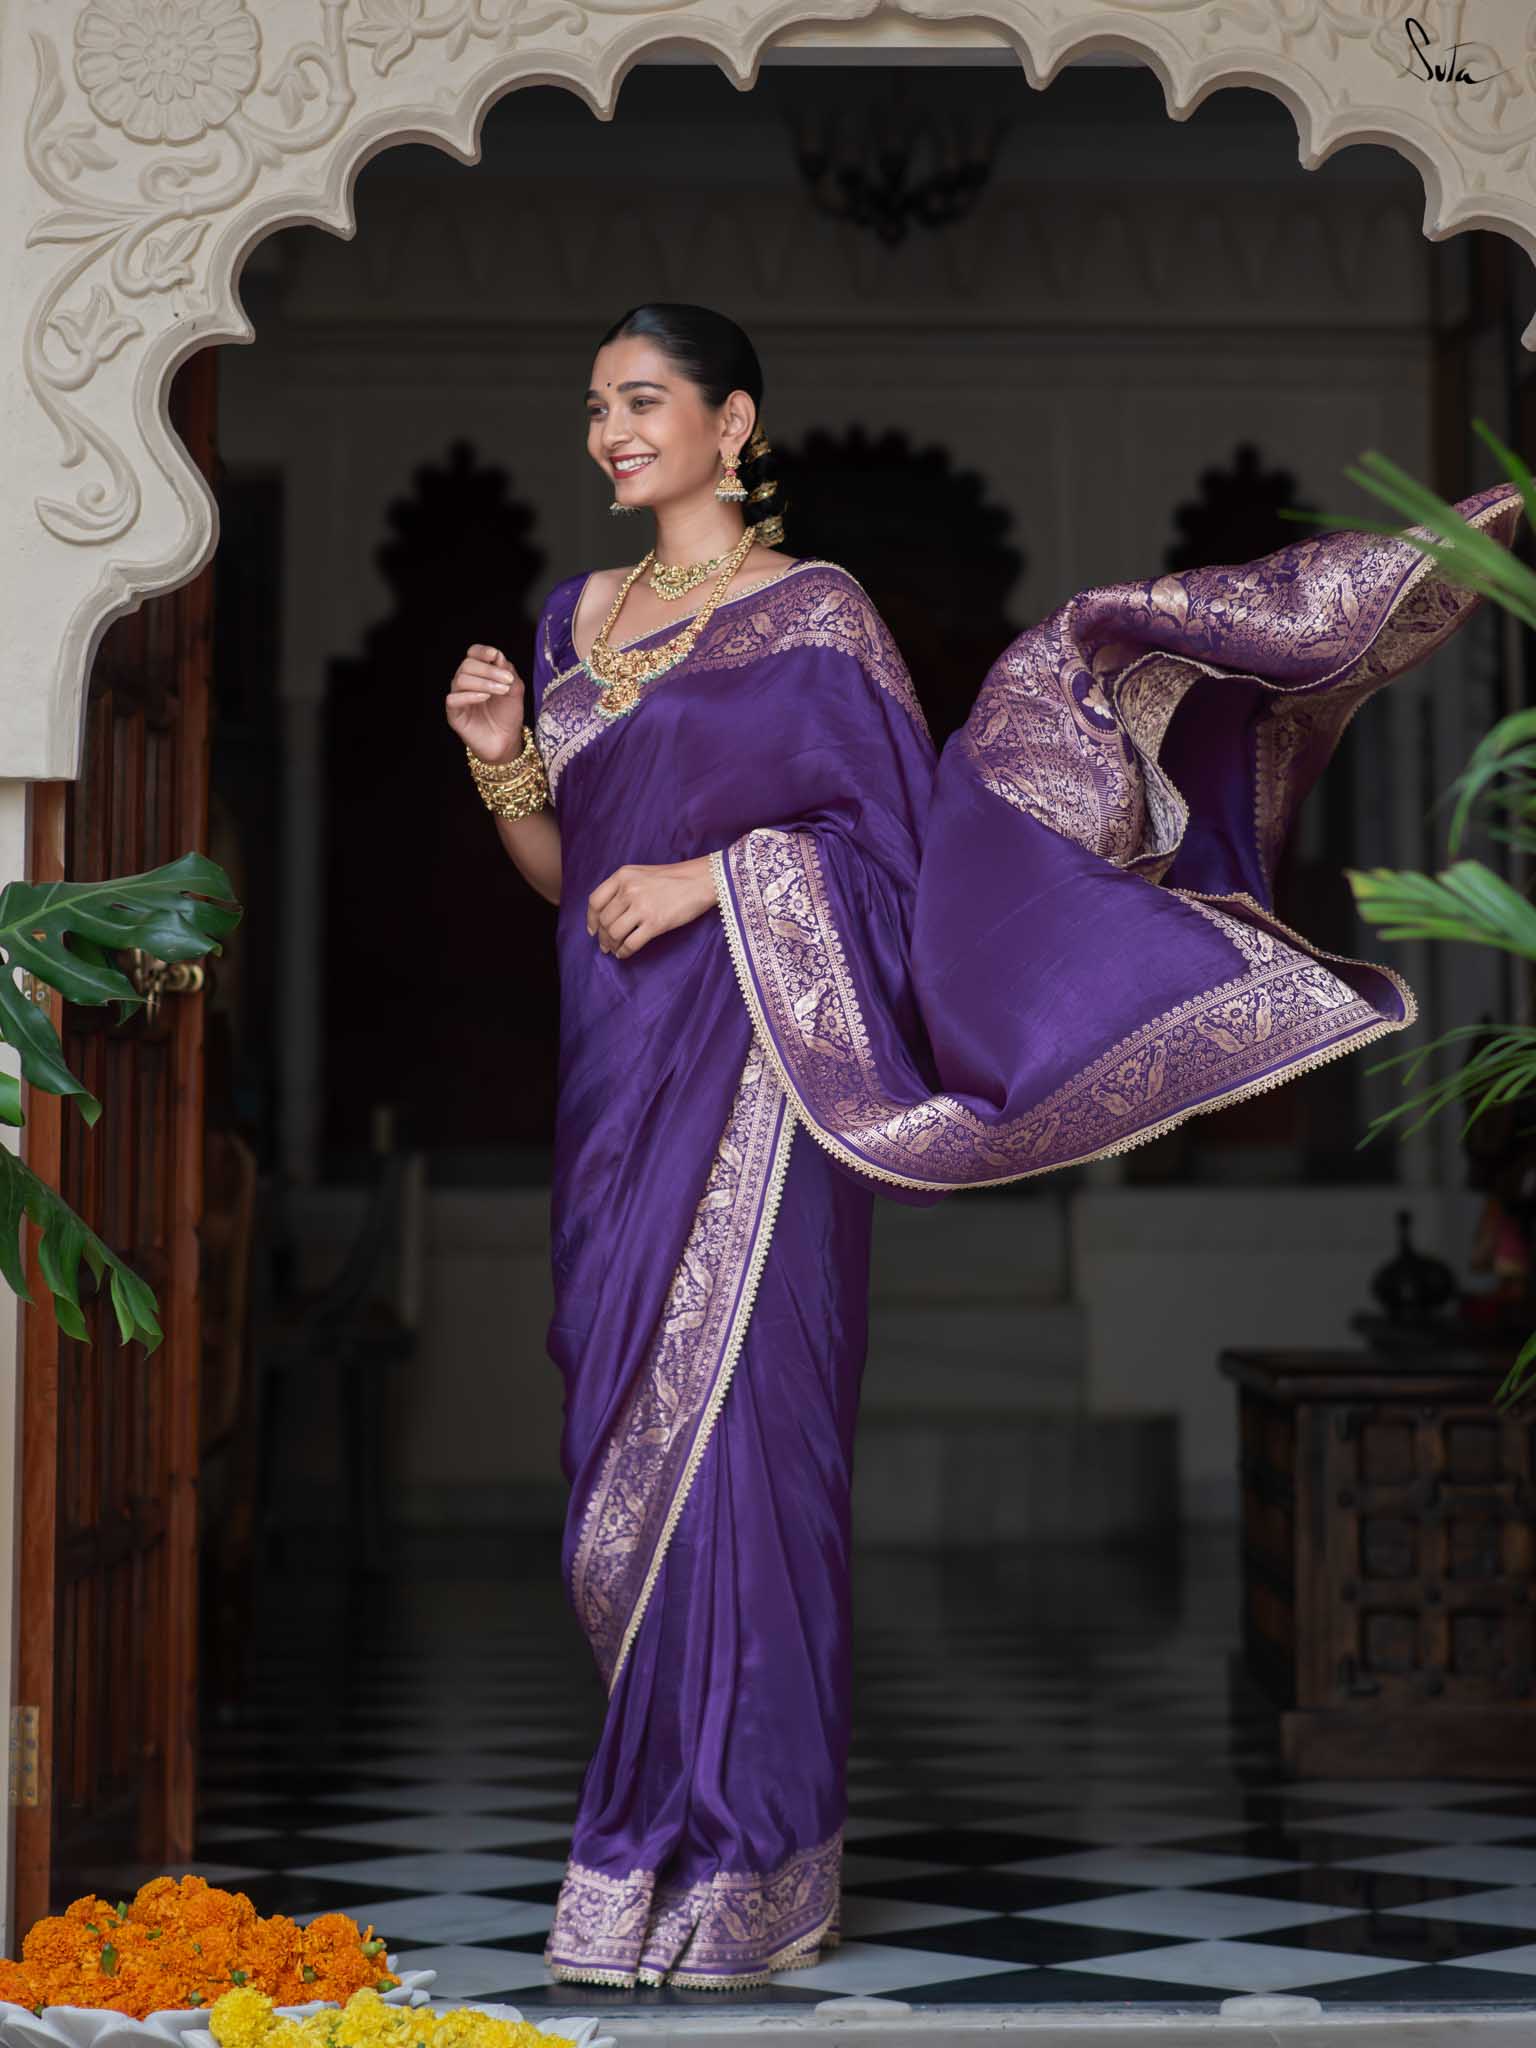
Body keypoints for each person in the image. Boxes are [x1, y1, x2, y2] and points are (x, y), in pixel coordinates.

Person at [443, 301, 1522, 1990]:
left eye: (643, 401)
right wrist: (508, 765)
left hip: (771, 1083)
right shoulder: (568, 622)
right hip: (616, 1079)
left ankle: (752, 1856)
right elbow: (576, 885)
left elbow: (888, 867)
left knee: (752, 1447)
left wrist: (723, 876)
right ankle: (641, 1838)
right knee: (619, 1452)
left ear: (736, 424)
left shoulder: (820, 616)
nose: (612, 433)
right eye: (595, 407)